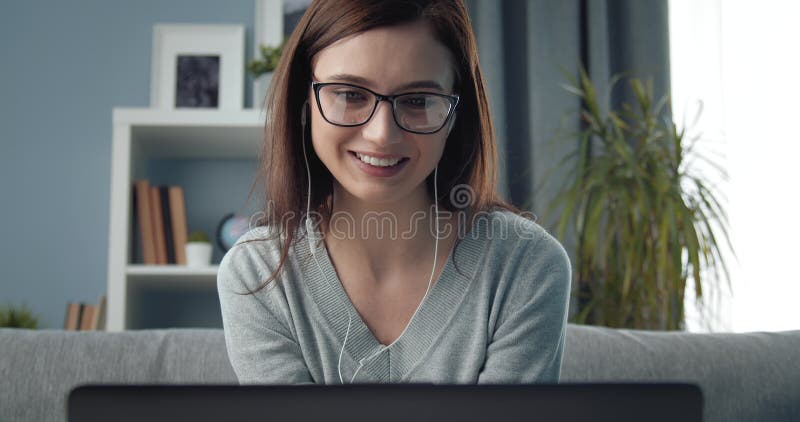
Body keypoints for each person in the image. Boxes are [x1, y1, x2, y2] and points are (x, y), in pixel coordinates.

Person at [217, 0, 571, 385]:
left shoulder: (526, 266)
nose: (382, 134)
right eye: (351, 95)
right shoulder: (258, 274)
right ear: (305, 101)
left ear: (455, 116)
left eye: (418, 101)